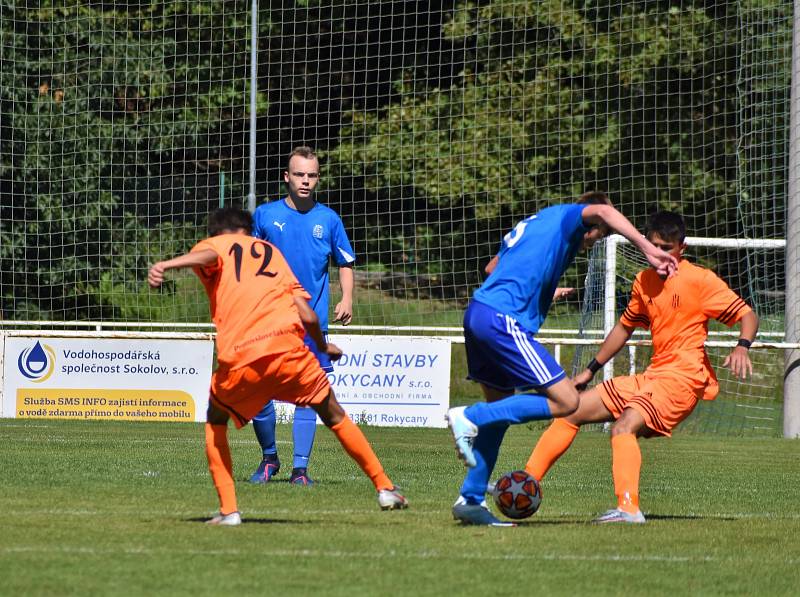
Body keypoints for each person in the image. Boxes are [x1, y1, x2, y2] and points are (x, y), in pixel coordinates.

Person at [148, 207, 407, 526]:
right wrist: (323, 346)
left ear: (221, 232)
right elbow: (309, 315)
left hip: (245, 357)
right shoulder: (272, 254)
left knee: (216, 418)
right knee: (333, 412)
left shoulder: (217, 243)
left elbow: (206, 257)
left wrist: (167, 265)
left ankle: (229, 510)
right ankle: (385, 487)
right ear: (248, 229)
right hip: (289, 352)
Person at [445, 192, 679, 526]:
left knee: (500, 415)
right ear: (592, 224)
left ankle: (470, 498)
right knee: (568, 401)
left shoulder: (537, 223)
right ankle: (469, 415)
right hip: (502, 320)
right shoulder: (568, 217)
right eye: (602, 232)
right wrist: (648, 248)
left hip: (479, 314)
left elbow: (493, 267)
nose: (600, 238)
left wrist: (540, 290)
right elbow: (602, 210)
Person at [525, 211, 758, 523]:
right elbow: (624, 328)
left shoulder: (700, 280)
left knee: (624, 426)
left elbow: (747, 315)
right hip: (653, 376)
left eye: (667, 247)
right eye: (653, 246)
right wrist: (590, 369)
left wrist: (742, 346)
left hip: (683, 381)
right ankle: (525, 484)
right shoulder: (643, 281)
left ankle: (628, 508)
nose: (659, 254)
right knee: (572, 410)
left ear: (682, 247)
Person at [248, 146, 356, 486]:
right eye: (299, 174)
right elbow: (249, 262)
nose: (305, 181)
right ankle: (269, 459)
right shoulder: (265, 216)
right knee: (260, 393)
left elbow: (346, 263)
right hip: (269, 320)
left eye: (311, 175)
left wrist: (347, 297)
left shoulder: (329, 219)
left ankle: (300, 470)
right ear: (287, 177)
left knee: (307, 395)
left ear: (317, 178)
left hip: (311, 325)